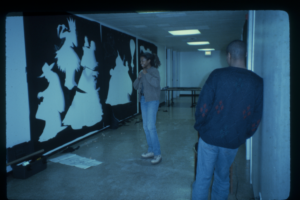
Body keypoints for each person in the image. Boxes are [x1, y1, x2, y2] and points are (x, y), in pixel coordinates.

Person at [192, 40, 263, 200]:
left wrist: (201, 128)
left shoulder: (217, 75)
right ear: (245, 54)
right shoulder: (257, 82)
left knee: (202, 180)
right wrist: (242, 135)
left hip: (209, 138)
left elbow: (202, 107)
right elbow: (256, 117)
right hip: (232, 140)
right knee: (222, 179)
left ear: (228, 56)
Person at [133, 52, 162, 164]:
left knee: (151, 126)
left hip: (152, 101)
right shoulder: (141, 72)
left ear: (149, 61)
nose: (141, 63)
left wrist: (146, 74)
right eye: (140, 61)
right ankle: (151, 151)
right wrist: (139, 77)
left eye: (143, 61)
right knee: (145, 127)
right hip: (143, 101)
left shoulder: (154, 71)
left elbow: (156, 83)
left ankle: (158, 153)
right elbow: (135, 86)